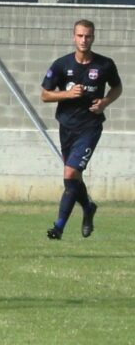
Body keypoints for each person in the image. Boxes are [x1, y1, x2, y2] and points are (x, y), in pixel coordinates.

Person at [41, 19, 122, 240]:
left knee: (70, 173)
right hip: (67, 127)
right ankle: (87, 207)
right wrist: (67, 94)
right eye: (80, 36)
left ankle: (58, 227)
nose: (84, 40)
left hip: (90, 128)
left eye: (88, 36)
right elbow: (45, 95)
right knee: (72, 179)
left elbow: (117, 87)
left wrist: (104, 102)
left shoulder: (104, 65)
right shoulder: (61, 65)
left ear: (93, 37)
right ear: (73, 37)